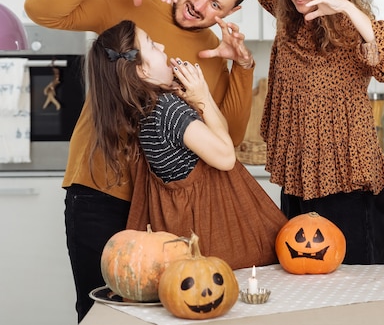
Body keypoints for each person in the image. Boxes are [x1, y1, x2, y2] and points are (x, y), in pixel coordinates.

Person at [24, 0, 255, 322]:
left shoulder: (213, 50)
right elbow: (40, 10)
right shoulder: (128, 4)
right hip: (100, 193)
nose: (199, 5)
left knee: (159, 315)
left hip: (163, 210)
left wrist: (242, 67)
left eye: (216, 4)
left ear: (230, 13)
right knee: (100, 313)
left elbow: (227, 138)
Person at [210, 0, 384, 265]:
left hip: (348, 182)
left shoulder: (353, 30)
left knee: (358, 291)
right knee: (301, 284)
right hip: (298, 179)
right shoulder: (286, 15)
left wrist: (348, 8)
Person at [88, 19, 286, 272]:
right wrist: (201, 96)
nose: (160, 44)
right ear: (142, 71)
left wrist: (201, 100)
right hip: (216, 242)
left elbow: (219, 137)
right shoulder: (167, 109)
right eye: (151, 43)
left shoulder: (148, 110)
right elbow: (225, 157)